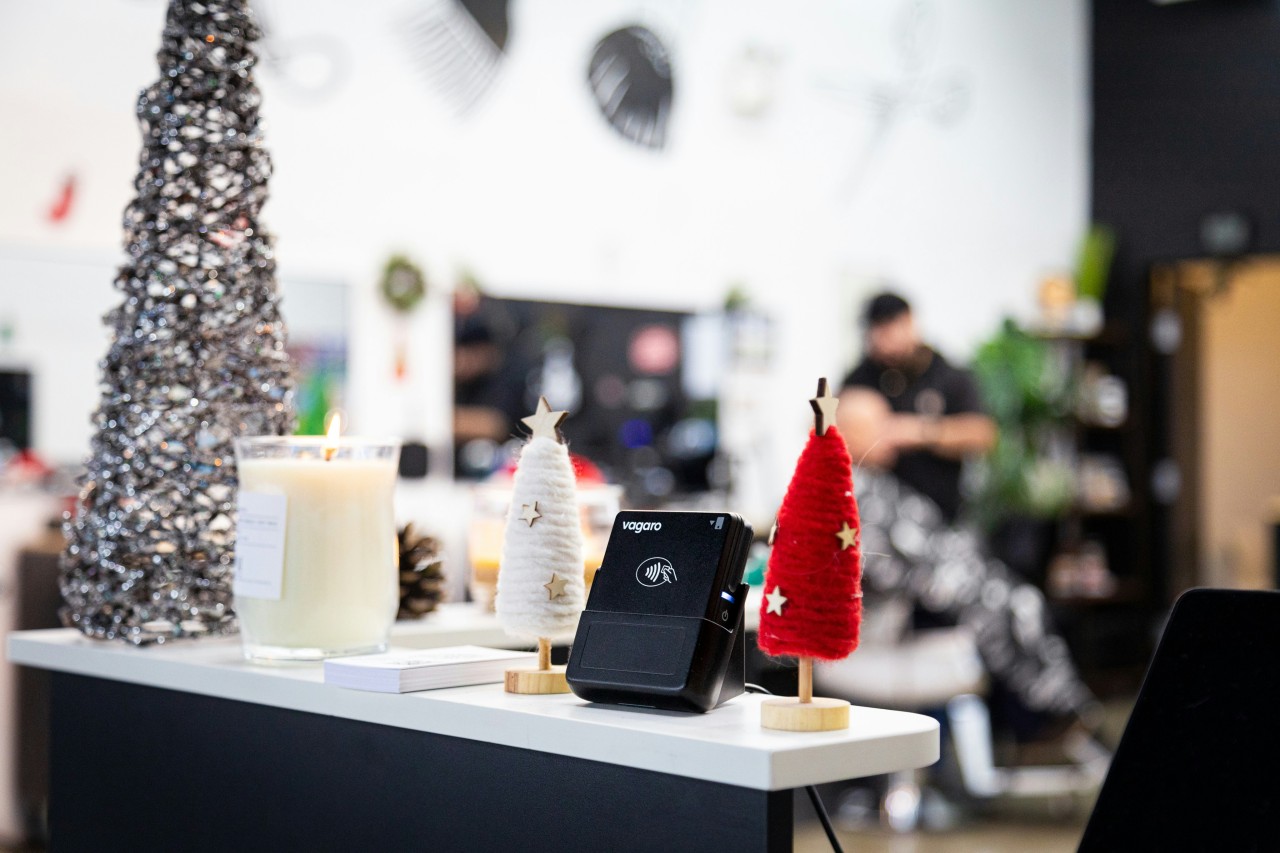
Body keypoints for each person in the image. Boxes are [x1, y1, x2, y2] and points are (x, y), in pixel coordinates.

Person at [840, 292, 995, 523]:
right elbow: (824, 425)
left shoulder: (946, 375)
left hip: (937, 516)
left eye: (889, 329)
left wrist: (919, 432)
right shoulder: (862, 376)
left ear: (909, 322)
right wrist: (863, 440)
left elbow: (983, 434)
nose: (883, 342)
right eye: (877, 332)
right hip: (875, 511)